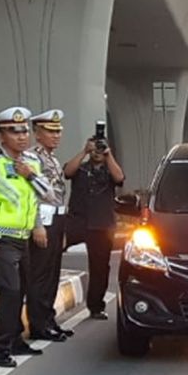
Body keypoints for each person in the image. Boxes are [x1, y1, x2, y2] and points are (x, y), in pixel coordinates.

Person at [0, 107, 61, 366]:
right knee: (11, 291)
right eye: (13, 131)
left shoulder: (33, 163)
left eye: (24, 130)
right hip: (0, 239)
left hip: (24, 238)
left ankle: (15, 341)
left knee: (24, 289)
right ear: (1, 136)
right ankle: (2, 348)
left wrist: (30, 175)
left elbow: (44, 196)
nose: (21, 136)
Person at [24, 109, 73, 341]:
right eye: (50, 131)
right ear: (37, 133)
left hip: (57, 219)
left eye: (58, 131)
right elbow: (30, 195)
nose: (56, 136)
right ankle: (38, 324)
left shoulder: (52, 157)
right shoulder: (32, 158)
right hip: (42, 220)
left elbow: (59, 195)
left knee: (53, 274)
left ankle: (48, 319)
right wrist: (37, 226)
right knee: (40, 276)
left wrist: (61, 229)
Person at [65, 132, 125, 320]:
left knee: (100, 267)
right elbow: (67, 172)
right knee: (50, 255)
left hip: (102, 223)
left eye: (101, 147)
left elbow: (119, 178)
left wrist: (108, 155)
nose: (97, 151)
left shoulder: (109, 169)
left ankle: (96, 306)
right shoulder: (81, 169)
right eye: (95, 147)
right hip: (77, 220)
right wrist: (84, 151)